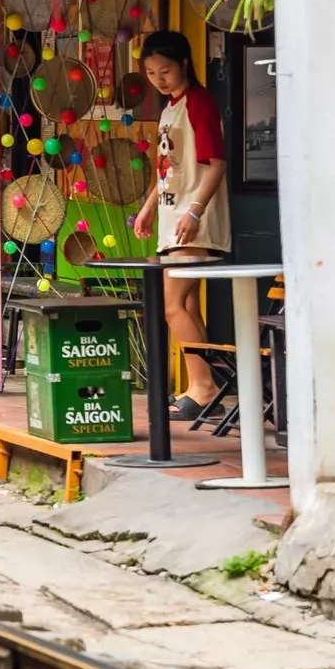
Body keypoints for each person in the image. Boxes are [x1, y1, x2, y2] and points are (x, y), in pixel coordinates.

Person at [131, 29, 231, 417]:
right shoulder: (171, 107)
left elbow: (216, 164)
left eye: (166, 70)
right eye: (152, 72)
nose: (159, 79)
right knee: (187, 305)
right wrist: (149, 207)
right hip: (174, 220)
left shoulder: (199, 104)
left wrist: (194, 212)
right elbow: (168, 172)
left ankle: (203, 387)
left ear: (185, 63)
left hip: (194, 223)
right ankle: (201, 386)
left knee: (172, 306)